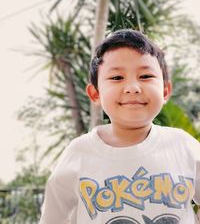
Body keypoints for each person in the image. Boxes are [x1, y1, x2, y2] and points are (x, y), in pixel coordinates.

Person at [39, 29, 200, 224]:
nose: (132, 87)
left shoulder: (183, 146)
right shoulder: (79, 152)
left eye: (146, 76)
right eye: (117, 78)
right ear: (95, 94)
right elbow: (52, 218)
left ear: (165, 90)